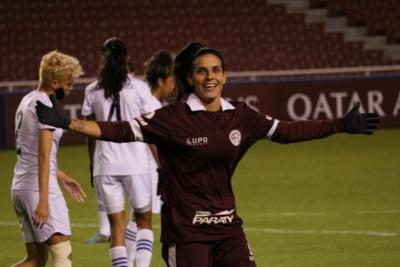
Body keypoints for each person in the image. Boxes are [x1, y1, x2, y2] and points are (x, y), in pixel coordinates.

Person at [36, 42, 380, 267]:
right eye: (202, 71)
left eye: (216, 70)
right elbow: (121, 130)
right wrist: (69, 123)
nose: (210, 76)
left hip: (228, 229)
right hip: (187, 233)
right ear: (190, 77)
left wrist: (338, 125)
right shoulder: (172, 118)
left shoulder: (242, 116)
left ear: (225, 76)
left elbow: (287, 131)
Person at [80, 37, 156, 267]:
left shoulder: (92, 90)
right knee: (144, 221)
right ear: (126, 59)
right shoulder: (140, 88)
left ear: (103, 58)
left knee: (116, 229)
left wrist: (93, 165)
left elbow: (89, 132)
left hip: (106, 165)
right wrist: (160, 164)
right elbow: (151, 129)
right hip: (137, 165)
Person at [11, 50, 86, 267]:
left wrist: (61, 176)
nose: (70, 89)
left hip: (20, 186)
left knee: (36, 260)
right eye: (68, 84)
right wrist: (43, 201)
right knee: (63, 253)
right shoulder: (47, 105)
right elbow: (43, 154)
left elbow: (30, 150)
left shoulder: (27, 100)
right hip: (37, 188)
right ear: (55, 83)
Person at [144, 50, 176, 214]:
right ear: (160, 81)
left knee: (138, 218)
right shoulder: (152, 106)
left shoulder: (149, 102)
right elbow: (153, 141)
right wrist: (163, 166)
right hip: (147, 169)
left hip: (144, 167)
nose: (173, 85)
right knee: (143, 220)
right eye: (171, 80)